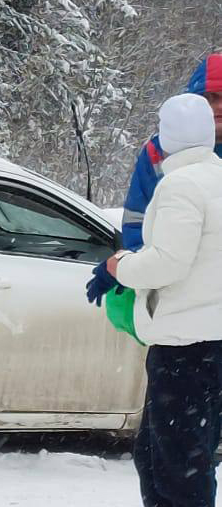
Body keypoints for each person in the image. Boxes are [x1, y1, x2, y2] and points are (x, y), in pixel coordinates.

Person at [106, 94, 222, 507]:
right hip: (210, 344)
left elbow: (168, 263)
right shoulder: (215, 178)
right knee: (168, 456)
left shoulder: (181, 185)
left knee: (175, 466)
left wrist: (120, 266)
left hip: (184, 347)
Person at [87, 52, 222, 306]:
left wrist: (121, 268)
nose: (218, 107)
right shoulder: (158, 152)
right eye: (209, 98)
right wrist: (138, 270)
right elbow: (137, 220)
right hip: (170, 291)